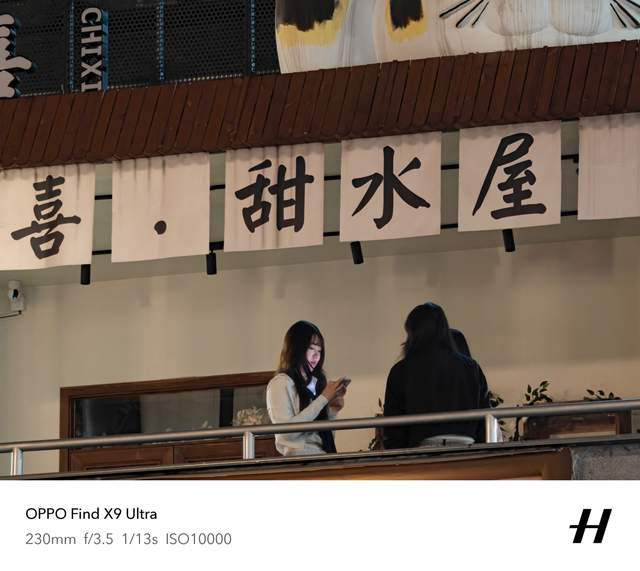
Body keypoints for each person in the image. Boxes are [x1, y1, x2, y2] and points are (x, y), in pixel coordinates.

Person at [382, 303, 490, 449]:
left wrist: (399, 454)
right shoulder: (471, 367)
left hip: (422, 448)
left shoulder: (401, 370)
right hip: (467, 445)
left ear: (413, 333)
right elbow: (485, 415)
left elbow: (393, 424)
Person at [266, 320, 348, 456]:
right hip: (300, 460)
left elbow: (325, 439)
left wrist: (332, 410)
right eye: (311, 348)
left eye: (319, 351)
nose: (316, 356)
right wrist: (323, 398)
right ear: (296, 348)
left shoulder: (315, 382)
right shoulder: (280, 383)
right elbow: (285, 434)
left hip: (324, 457)